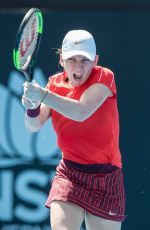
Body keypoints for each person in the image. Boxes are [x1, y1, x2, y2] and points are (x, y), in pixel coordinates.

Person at [22, 29, 125, 230]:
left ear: (95, 61)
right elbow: (33, 125)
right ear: (61, 60)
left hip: (106, 175)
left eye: (84, 60)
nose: (78, 66)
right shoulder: (54, 84)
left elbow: (81, 111)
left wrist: (42, 95)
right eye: (71, 60)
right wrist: (32, 107)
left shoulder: (105, 77)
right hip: (69, 173)